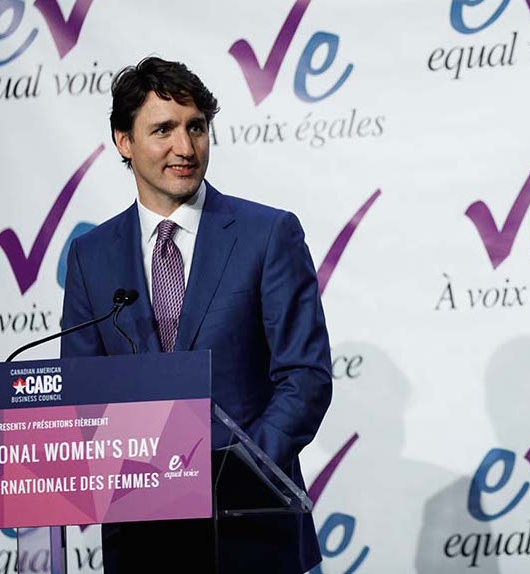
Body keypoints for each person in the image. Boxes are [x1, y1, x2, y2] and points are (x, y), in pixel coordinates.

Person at [61, 56, 332, 573]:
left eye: (196, 128)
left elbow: (305, 377)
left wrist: (237, 473)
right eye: (163, 129)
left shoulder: (268, 235)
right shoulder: (89, 256)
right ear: (123, 140)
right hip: (141, 545)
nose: (185, 148)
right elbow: (81, 397)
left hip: (255, 536)